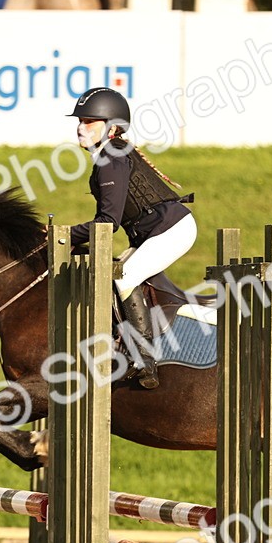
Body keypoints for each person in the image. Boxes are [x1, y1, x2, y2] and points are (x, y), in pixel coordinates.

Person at [68, 87, 197, 390]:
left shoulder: (111, 157)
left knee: (124, 279)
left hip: (170, 230)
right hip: (152, 231)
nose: (80, 127)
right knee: (116, 272)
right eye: (80, 120)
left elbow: (107, 224)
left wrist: (64, 236)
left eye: (89, 121)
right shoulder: (110, 154)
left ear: (112, 128)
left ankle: (143, 359)